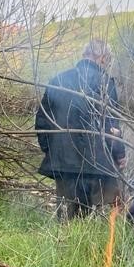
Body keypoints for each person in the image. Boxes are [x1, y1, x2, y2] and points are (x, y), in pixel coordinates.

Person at [35, 40, 125, 221]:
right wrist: (120, 154)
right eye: (106, 61)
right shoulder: (106, 83)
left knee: (67, 218)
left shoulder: (58, 80)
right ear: (102, 57)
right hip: (97, 163)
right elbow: (111, 127)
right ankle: (89, 247)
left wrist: (52, 150)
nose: (106, 64)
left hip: (64, 164)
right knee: (100, 217)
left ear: (85, 54)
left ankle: (66, 246)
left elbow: (42, 122)